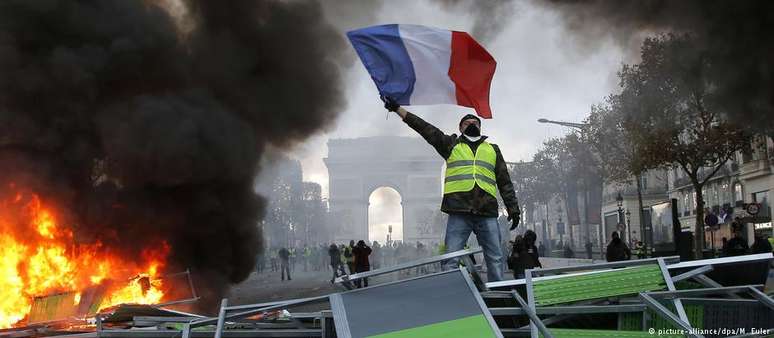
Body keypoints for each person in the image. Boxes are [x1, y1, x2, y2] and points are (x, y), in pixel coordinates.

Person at [383, 99, 520, 282]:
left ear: (480, 127)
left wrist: (513, 208)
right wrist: (398, 109)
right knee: (450, 259)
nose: (471, 124)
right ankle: (452, 293)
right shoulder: (450, 145)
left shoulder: (493, 150)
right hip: (459, 211)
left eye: (475, 123)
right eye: (467, 123)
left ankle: (499, 296)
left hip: (486, 211)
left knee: (495, 258)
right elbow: (425, 128)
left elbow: (505, 182)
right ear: (461, 128)